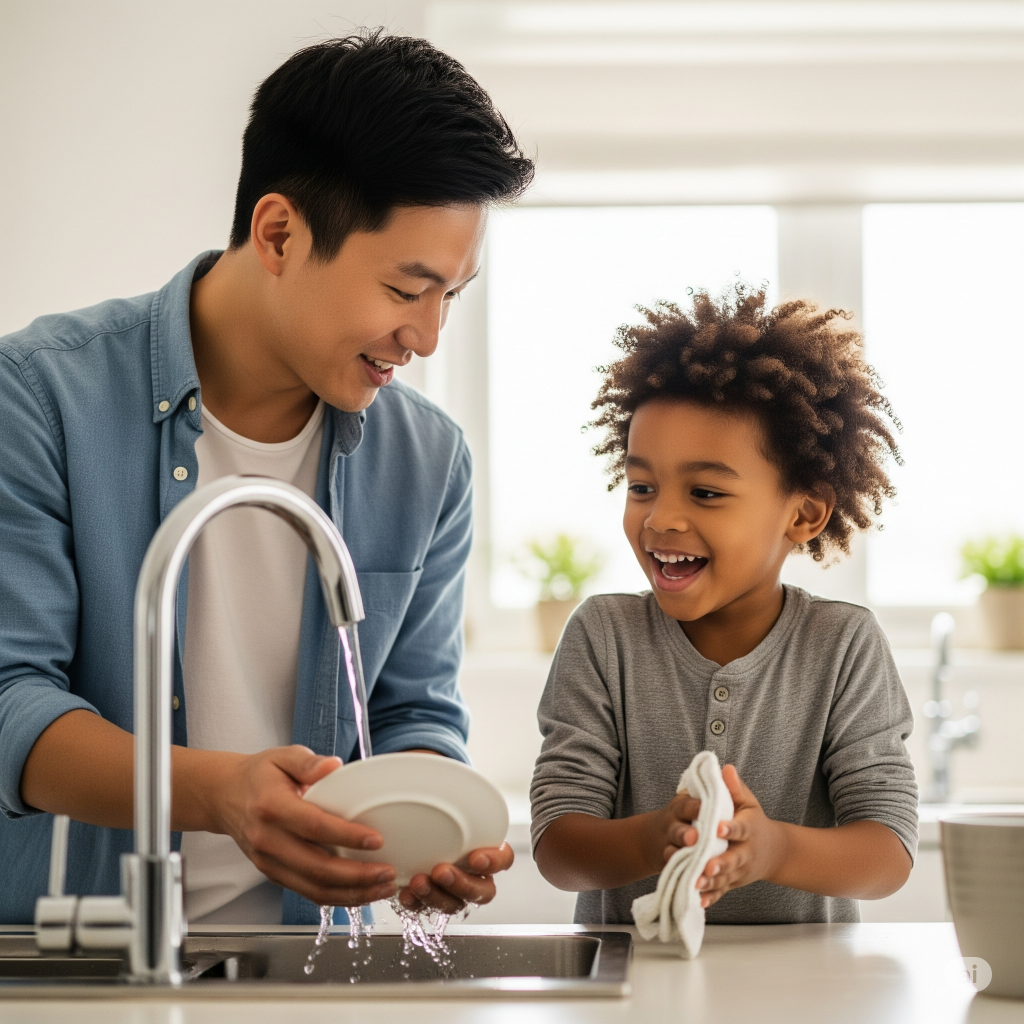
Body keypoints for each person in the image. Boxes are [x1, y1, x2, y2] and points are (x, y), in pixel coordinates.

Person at [0, 31, 533, 926]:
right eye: (407, 290)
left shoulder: (430, 461)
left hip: (319, 961)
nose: (429, 337)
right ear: (279, 232)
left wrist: (430, 823)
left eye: (453, 296)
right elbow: (10, 701)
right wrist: (221, 794)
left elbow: (411, 711)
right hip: (79, 959)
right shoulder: (40, 398)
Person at [530, 286, 918, 924]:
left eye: (706, 492)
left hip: (807, 991)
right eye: (641, 486)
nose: (661, 518)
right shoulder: (605, 636)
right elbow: (557, 847)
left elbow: (889, 851)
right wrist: (657, 838)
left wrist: (773, 849)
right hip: (635, 987)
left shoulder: (843, 645)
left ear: (804, 513)